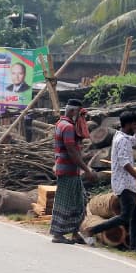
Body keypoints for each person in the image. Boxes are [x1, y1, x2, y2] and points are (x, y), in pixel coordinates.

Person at [82, 112, 136, 250]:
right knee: (125, 216)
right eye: (135, 123)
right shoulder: (121, 140)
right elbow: (124, 163)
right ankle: (91, 230)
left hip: (128, 183)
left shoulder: (123, 136)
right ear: (128, 124)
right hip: (123, 183)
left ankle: (134, 247)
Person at [51, 99, 98, 244]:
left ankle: (75, 233)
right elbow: (71, 151)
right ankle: (58, 234)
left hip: (68, 170)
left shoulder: (61, 124)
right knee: (66, 202)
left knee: (79, 200)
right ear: (73, 111)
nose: (80, 117)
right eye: (79, 113)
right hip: (68, 170)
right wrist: (87, 169)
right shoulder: (68, 127)